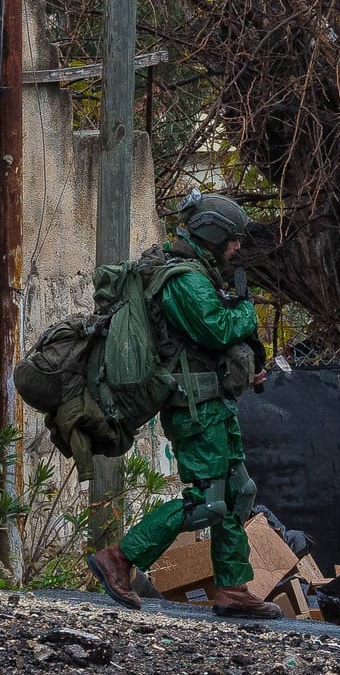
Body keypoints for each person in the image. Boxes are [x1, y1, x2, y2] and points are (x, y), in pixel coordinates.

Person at [87, 192, 280, 620]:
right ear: (212, 233)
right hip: (194, 408)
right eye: (231, 239)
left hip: (215, 401)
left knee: (236, 493)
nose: (236, 248)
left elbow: (206, 347)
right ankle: (119, 557)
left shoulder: (201, 274)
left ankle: (232, 588)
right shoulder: (183, 279)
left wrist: (245, 369)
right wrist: (247, 313)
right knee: (206, 501)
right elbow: (217, 328)